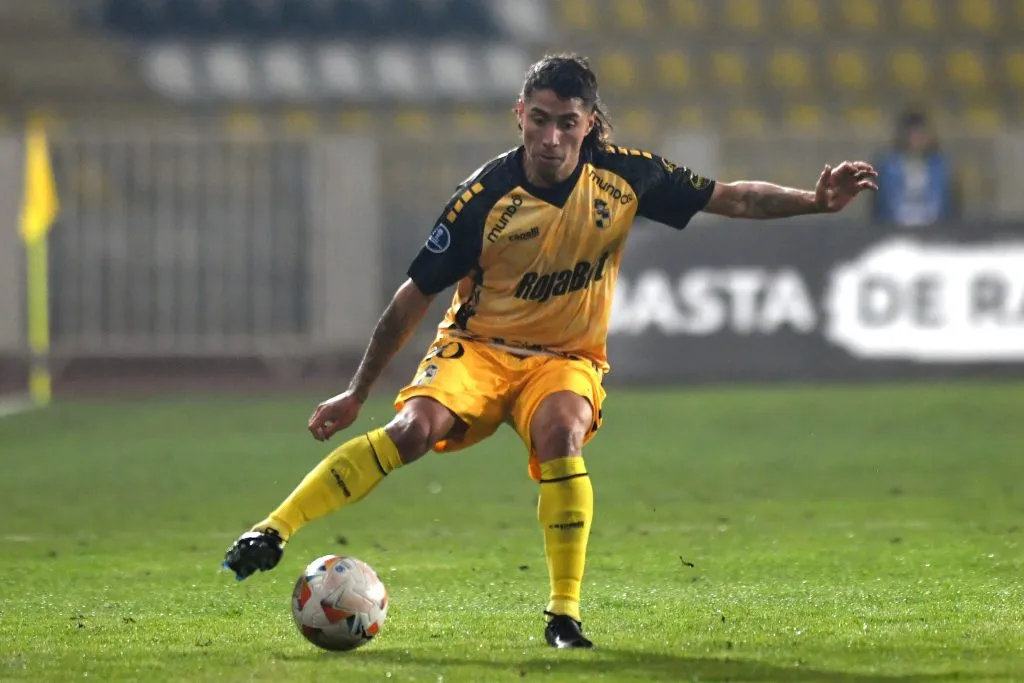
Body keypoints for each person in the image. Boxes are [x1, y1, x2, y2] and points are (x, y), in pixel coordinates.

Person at [223, 53, 878, 649]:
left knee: (562, 431)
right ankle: (273, 528)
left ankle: (564, 615)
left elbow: (729, 197)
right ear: (519, 115)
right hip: (477, 347)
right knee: (411, 431)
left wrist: (815, 202)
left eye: (567, 123)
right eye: (539, 120)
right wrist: (356, 391)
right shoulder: (482, 198)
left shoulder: (627, 176)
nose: (550, 138)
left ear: (590, 124)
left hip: (566, 356)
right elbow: (413, 295)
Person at [873, 108, 957, 227]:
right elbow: (882, 205)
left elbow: (947, 204)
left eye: (921, 133)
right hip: (897, 231)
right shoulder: (888, 166)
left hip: (933, 231)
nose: (917, 139)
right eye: (913, 133)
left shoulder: (940, 166)